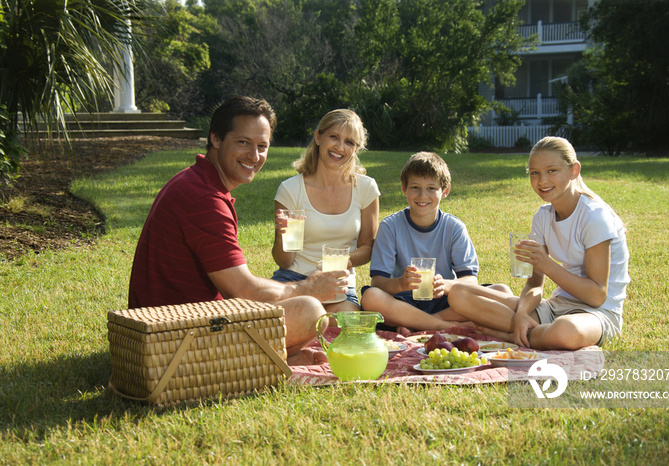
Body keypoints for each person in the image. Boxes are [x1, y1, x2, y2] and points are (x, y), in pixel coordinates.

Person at [128, 96, 349, 365]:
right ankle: (261, 362)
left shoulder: (194, 181)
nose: (254, 156)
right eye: (243, 142)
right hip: (172, 340)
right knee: (309, 310)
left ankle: (276, 357)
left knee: (293, 303)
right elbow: (243, 290)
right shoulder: (204, 200)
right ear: (216, 139)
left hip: (169, 326)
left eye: (262, 146)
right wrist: (308, 286)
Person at [447, 136, 630, 350]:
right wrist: (523, 315)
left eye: (552, 171)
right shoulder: (543, 217)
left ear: (574, 170)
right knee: (460, 294)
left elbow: (597, 295)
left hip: (597, 314)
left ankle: (510, 336)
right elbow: (534, 284)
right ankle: (525, 330)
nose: (542, 181)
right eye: (535, 173)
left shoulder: (594, 217)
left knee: (566, 332)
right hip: (555, 308)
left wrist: (546, 264)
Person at [360, 151, 508, 333]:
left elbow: (470, 281)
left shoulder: (454, 227)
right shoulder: (390, 226)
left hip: (444, 302)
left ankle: (418, 325)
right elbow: (378, 283)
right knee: (370, 297)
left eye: (431, 188)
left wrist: (445, 285)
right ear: (403, 188)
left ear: (445, 191)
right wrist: (401, 284)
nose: (423, 196)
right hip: (404, 301)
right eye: (415, 187)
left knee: (501, 292)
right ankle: (447, 327)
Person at [270, 109, 380, 313]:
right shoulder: (291, 190)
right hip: (294, 282)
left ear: (356, 149)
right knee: (291, 319)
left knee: (341, 324)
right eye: (334, 137)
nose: (340, 147)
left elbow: (367, 247)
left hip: (337, 284)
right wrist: (282, 236)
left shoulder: (366, 188)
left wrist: (347, 261)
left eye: (349, 142)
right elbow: (284, 261)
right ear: (318, 137)